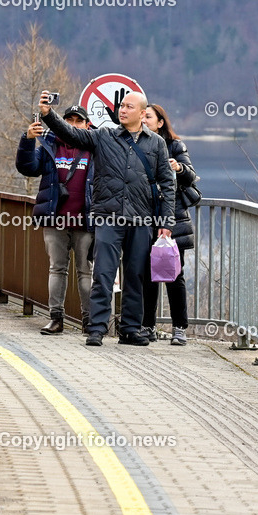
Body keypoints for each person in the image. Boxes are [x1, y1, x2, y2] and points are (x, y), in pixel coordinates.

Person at [39, 90, 174, 347]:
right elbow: (72, 134)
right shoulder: (104, 135)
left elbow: (167, 185)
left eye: (129, 107)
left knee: (135, 275)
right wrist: (48, 115)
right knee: (102, 273)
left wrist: (166, 222)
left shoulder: (156, 143)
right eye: (121, 105)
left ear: (142, 113)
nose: (122, 110)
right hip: (108, 217)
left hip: (141, 218)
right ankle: (97, 328)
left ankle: (131, 329)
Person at [15, 105, 95, 335]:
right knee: (57, 269)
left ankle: (89, 322)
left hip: (85, 221)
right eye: (68, 119)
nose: (72, 124)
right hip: (55, 220)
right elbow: (27, 167)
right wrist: (27, 140)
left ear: (87, 125)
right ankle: (56, 318)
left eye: (78, 121)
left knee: (85, 271)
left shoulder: (94, 149)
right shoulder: (50, 146)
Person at [139, 104, 197, 346]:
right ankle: (147, 326)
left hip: (172, 219)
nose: (143, 120)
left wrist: (179, 167)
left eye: (148, 117)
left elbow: (191, 176)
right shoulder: (138, 144)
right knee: (147, 275)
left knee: (174, 274)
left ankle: (179, 328)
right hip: (145, 217)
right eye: (141, 116)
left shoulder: (175, 145)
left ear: (160, 122)